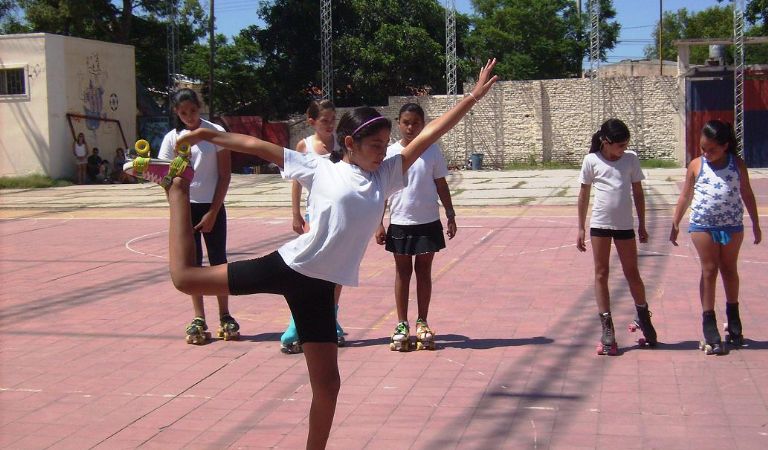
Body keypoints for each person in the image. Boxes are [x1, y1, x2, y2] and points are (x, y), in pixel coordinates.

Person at [128, 60, 496, 450]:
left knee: (329, 387)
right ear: (350, 144)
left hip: (320, 291)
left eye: (385, 145)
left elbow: (433, 132)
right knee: (184, 279)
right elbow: (257, 146)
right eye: (374, 146)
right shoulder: (319, 167)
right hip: (289, 267)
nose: (382, 153)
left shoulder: (386, 174)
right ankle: (175, 188)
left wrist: (471, 96)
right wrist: (206, 134)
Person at [670, 119, 761, 355]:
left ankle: (733, 316)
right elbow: (685, 196)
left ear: (725, 146)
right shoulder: (696, 165)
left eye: (712, 149)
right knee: (709, 270)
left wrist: (756, 223)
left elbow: (747, 193)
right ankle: (709, 321)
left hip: (731, 225)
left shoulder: (737, 164)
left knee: (729, 269)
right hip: (703, 226)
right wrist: (675, 222)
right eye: (703, 148)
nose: (707, 153)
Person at [374, 103, 456, 352]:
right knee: (402, 273)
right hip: (400, 222)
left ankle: (422, 321)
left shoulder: (432, 151)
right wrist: (378, 222)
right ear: (398, 123)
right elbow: (382, 191)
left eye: (416, 123)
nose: (411, 127)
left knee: (423, 271)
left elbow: (441, 184)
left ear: (423, 124)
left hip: (428, 221)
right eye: (406, 122)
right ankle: (401, 323)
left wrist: (450, 214)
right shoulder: (389, 153)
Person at [158, 88, 237, 345]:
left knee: (218, 262)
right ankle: (198, 316)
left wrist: (213, 211)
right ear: (176, 113)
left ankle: (225, 314)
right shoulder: (173, 139)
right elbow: (164, 178)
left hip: (211, 206)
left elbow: (224, 175)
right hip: (186, 209)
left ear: (199, 107)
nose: (189, 117)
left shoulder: (214, 133)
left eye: (193, 111)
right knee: (192, 264)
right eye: (183, 113)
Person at [576, 118, 656, 356]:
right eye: (619, 146)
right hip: (600, 225)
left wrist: (642, 224)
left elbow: (638, 193)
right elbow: (583, 195)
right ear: (606, 142)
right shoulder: (591, 161)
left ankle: (643, 316)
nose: (623, 150)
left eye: (625, 145)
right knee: (601, 273)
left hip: (625, 227)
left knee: (632, 273)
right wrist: (580, 227)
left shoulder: (630, 159)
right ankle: (607, 327)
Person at [281, 99, 346, 354]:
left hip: (340, 215)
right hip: (315, 214)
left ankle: (331, 318)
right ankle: (297, 323)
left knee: (338, 270)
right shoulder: (304, 146)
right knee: (308, 269)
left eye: (333, 120)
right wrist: (296, 213)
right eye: (324, 121)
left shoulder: (342, 143)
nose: (330, 125)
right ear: (312, 121)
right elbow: (296, 180)